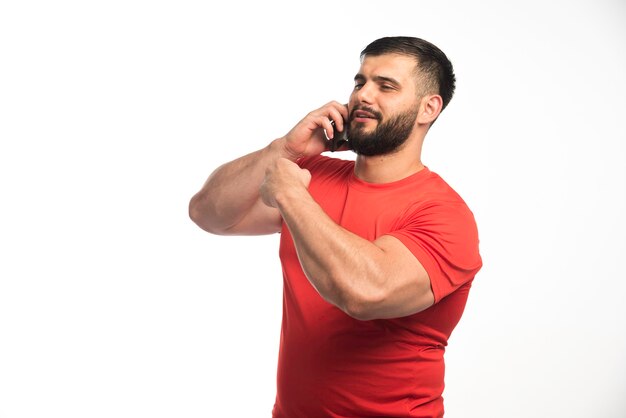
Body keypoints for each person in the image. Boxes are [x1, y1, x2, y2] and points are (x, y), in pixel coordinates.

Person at [189, 36, 482, 417]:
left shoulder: (444, 215)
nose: (364, 96)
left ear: (428, 108)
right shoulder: (311, 177)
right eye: (360, 82)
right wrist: (281, 151)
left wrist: (292, 195)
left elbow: (363, 293)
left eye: (386, 86)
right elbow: (208, 214)